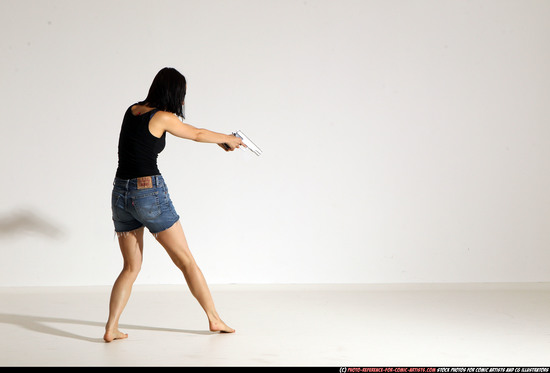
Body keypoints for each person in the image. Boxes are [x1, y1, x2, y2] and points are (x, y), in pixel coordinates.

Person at [104, 67, 242, 342]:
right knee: (186, 261)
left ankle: (110, 328)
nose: (183, 101)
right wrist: (228, 138)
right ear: (174, 93)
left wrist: (220, 141)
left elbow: (187, 134)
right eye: (183, 95)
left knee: (130, 267)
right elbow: (198, 133)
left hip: (120, 193)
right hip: (148, 194)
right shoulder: (163, 117)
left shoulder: (132, 110)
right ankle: (214, 319)